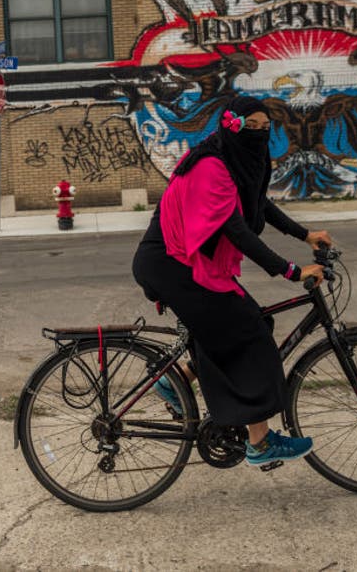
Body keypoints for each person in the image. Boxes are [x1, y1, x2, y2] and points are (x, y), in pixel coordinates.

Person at [132, 95, 333, 467]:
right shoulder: (211, 165)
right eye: (249, 126)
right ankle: (259, 442)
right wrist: (291, 271)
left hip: (187, 262)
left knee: (249, 322)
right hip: (173, 264)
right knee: (250, 333)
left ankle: (174, 379)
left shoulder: (235, 161)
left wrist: (304, 235)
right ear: (230, 125)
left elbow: (259, 204)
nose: (257, 134)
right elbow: (236, 229)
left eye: (263, 127)